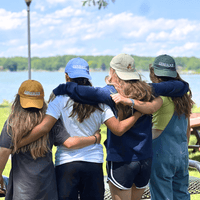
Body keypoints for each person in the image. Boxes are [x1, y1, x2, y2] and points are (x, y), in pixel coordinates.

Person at [50, 53, 189, 200]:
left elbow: (85, 93)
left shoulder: (110, 92)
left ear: (112, 71)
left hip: (122, 159)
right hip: (145, 159)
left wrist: (61, 89)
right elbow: (182, 86)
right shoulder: (146, 89)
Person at [17, 57, 142, 200]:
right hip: (93, 163)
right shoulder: (100, 101)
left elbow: (44, 128)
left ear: (67, 76)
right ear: (87, 77)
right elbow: (118, 129)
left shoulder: (59, 99)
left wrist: (19, 142)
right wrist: (138, 113)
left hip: (66, 163)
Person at [0, 79, 102, 200]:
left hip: (22, 189)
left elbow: (3, 153)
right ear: (42, 101)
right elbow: (70, 143)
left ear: (18, 99)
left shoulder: (12, 124)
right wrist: (94, 138)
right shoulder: (51, 122)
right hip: (47, 189)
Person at [111, 54, 194, 200]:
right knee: (182, 194)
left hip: (162, 153)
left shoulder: (162, 97)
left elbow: (149, 108)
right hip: (181, 153)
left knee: (162, 195)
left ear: (153, 73)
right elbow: (187, 128)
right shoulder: (184, 96)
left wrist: (128, 101)